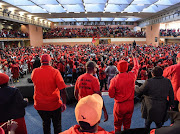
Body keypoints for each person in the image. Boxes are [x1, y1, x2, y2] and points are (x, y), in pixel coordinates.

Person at [31, 54, 67, 134]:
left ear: (41, 62)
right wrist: (64, 103)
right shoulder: (55, 72)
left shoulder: (35, 71)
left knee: (46, 124)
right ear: (50, 61)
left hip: (40, 105)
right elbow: (63, 90)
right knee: (57, 126)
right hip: (54, 105)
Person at [108, 53, 139, 133]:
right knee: (127, 125)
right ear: (127, 67)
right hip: (130, 104)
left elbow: (111, 95)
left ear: (118, 69)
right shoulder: (132, 76)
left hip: (119, 106)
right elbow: (136, 67)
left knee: (117, 125)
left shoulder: (114, 80)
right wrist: (134, 58)